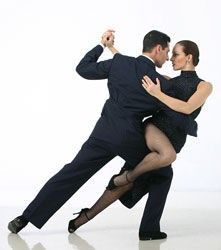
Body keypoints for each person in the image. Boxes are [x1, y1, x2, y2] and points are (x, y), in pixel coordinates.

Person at [8, 29, 187, 240]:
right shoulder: (161, 84)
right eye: (167, 52)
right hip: (130, 139)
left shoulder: (120, 63)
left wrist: (103, 45)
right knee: (163, 172)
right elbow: (172, 109)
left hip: (103, 133)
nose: (167, 58)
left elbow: (83, 69)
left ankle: (24, 219)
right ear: (158, 48)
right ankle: (148, 228)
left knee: (70, 174)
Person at [66, 38, 212, 239]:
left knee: (151, 178)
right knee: (166, 157)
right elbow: (130, 67)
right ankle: (129, 186)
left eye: (176, 54)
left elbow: (187, 108)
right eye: (170, 54)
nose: (170, 58)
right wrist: (110, 47)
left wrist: (157, 93)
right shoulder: (167, 80)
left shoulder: (204, 86)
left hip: (174, 137)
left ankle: (85, 218)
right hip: (154, 129)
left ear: (189, 57)